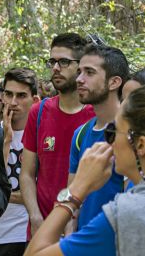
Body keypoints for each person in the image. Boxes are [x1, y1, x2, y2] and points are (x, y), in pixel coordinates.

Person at [25, 83, 145, 256]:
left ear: (140, 144)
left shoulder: (130, 215)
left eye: (113, 130)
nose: (109, 140)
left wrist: (75, 191)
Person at [20, 33, 95, 238]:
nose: (55, 68)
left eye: (63, 62)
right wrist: (34, 217)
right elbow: (27, 173)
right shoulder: (39, 112)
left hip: (83, 232)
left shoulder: (97, 116)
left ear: (81, 66)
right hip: (41, 229)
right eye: (52, 61)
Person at [69, 45, 129, 231]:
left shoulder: (132, 133)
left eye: (89, 72)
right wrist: (70, 235)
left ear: (114, 82)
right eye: (79, 72)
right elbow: (72, 194)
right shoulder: (80, 134)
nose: (79, 79)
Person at [0, 68, 40, 256]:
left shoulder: (42, 135)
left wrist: (7, 195)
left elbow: (44, 190)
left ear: (35, 100)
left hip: (34, 231)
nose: (13, 102)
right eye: (8, 94)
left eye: (21, 96)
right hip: (0, 235)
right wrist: (6, 140)